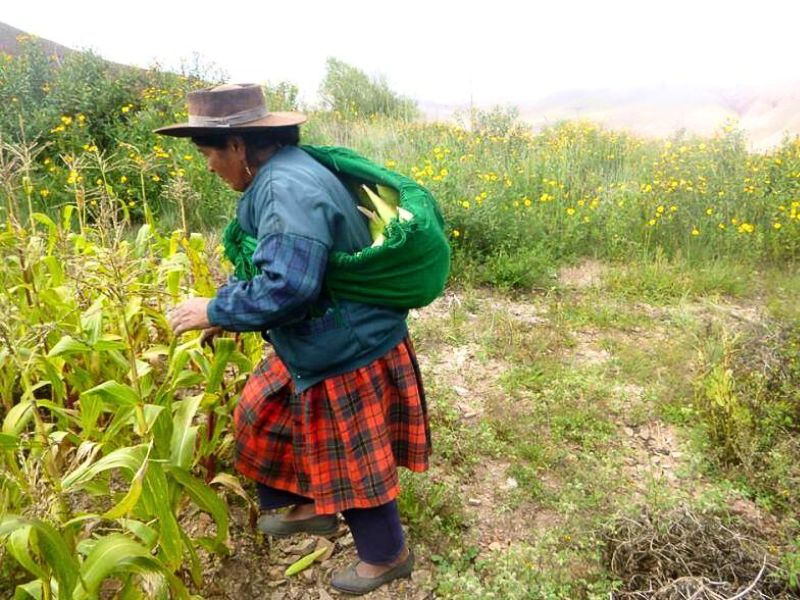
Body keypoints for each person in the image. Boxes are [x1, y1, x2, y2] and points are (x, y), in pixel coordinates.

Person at [156, 83, 431, 595]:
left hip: (345, 344)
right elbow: (288, 270)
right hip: (326, 334)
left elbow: (291, 286)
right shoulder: (287, 170)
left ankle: (386, 556)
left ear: (238, 146)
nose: (210, 168)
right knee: (263, 411)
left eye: (210, 154)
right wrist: (231, 313)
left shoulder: (284, 191)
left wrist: (214, 308)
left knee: (353, 462)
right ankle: (310, 509)